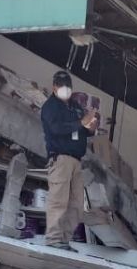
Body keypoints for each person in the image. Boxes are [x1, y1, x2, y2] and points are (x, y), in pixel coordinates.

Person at [40, 70, 98, 251]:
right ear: (54, 87)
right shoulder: (50, 106)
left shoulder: (76, 106)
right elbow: (56, 128)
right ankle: (53, 238)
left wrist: (91, 126)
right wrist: (81, 123)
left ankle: (64, 239)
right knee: (58, 200)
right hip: (60, 157)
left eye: (68, 87)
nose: (65, 90)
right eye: (61, 86)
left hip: (76, 160)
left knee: (76, 203)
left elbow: (84, 128)